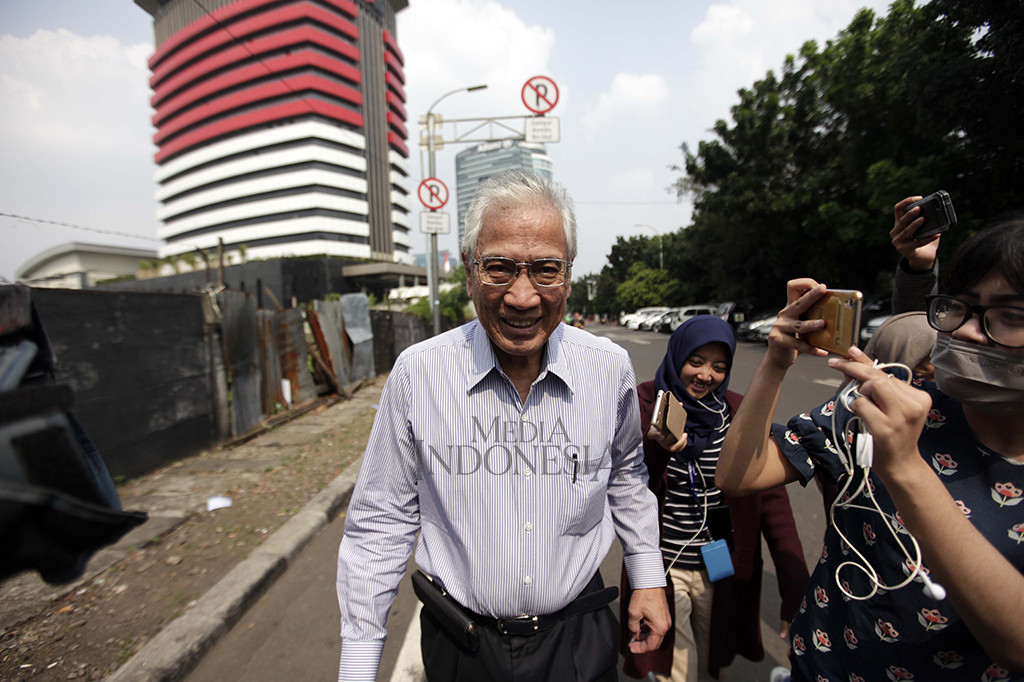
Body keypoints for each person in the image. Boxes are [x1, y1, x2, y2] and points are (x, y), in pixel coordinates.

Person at [336, 169, 671, 682]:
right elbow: (381, 521)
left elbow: (625, 474)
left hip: (577, 639)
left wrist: (647, 575)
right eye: (498, 268)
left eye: (546, 270)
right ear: (469, 272)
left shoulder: (608, 368)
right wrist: (357, 668)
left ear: (568, 275)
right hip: (461, 647)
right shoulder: (419, 374)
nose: (522, 296)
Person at [718, 215, 1024, 681]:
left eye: (1010, 316)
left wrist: (905, 467)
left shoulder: (893, 426)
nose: (965, 330)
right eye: (957, 307)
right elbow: (739, 476)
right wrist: (776, 362)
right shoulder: (885, 404)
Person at [619, 316, 809, 681]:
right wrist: (659, 448)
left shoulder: (739, 412)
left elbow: (773, 504)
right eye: (696, 362)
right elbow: (628, 486)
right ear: (678, 356)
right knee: (675, 668)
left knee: (713, 661)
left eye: (719, 367)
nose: (706, 375)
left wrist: (795, 587)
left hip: (720, 565)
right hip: (663, 566)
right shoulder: (645, 404)